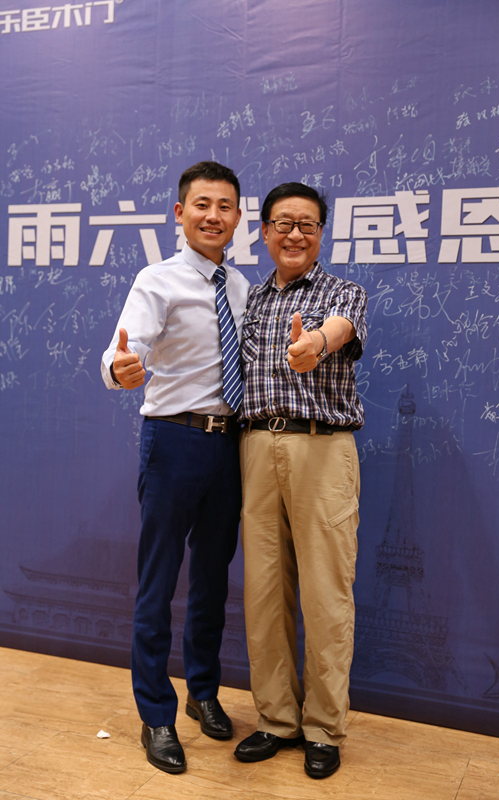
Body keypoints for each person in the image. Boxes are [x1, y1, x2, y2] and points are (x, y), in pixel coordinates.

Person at [101, 161, 249, 774]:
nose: (213, 216)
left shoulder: (242, 286)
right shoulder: (156, 280)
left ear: (239, 217)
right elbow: (121, 351)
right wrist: (120, 370)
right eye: (202, 205)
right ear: (180, 213)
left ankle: (203, 693)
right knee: (159, 581)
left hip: (231, 445)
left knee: (213, 579)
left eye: (225, 206)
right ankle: (156, 714)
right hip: (174, 439)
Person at [234, 182, 367, 779]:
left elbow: (337, 330)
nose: (294, 234)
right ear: (264, 232)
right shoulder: (249, 301)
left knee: (325, 594)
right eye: (283, 223)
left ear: (321, 234)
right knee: (264, 592)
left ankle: (323, 728)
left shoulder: (344, 292)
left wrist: (314, 343)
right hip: (255, 446)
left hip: (323, 447)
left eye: (307, 225)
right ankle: (276, 719)